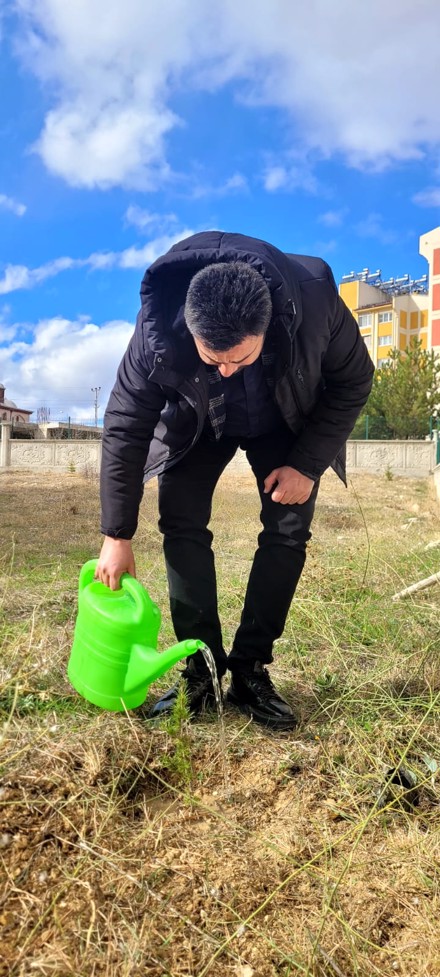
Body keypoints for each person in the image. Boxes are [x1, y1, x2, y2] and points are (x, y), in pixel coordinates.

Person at [96, 231, 374, 730]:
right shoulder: (158, 326)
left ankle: (249, 670)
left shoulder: (315, 301)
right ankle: (200, 672)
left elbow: (354, 381)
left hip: (280, 419)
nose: (225, 369)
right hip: (198, 421)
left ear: (268, 324)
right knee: (179, 518)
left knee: (289, 526)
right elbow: (124, 423)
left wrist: (307, 464)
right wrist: (116, 535)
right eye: (211, 357)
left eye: (239, 358)